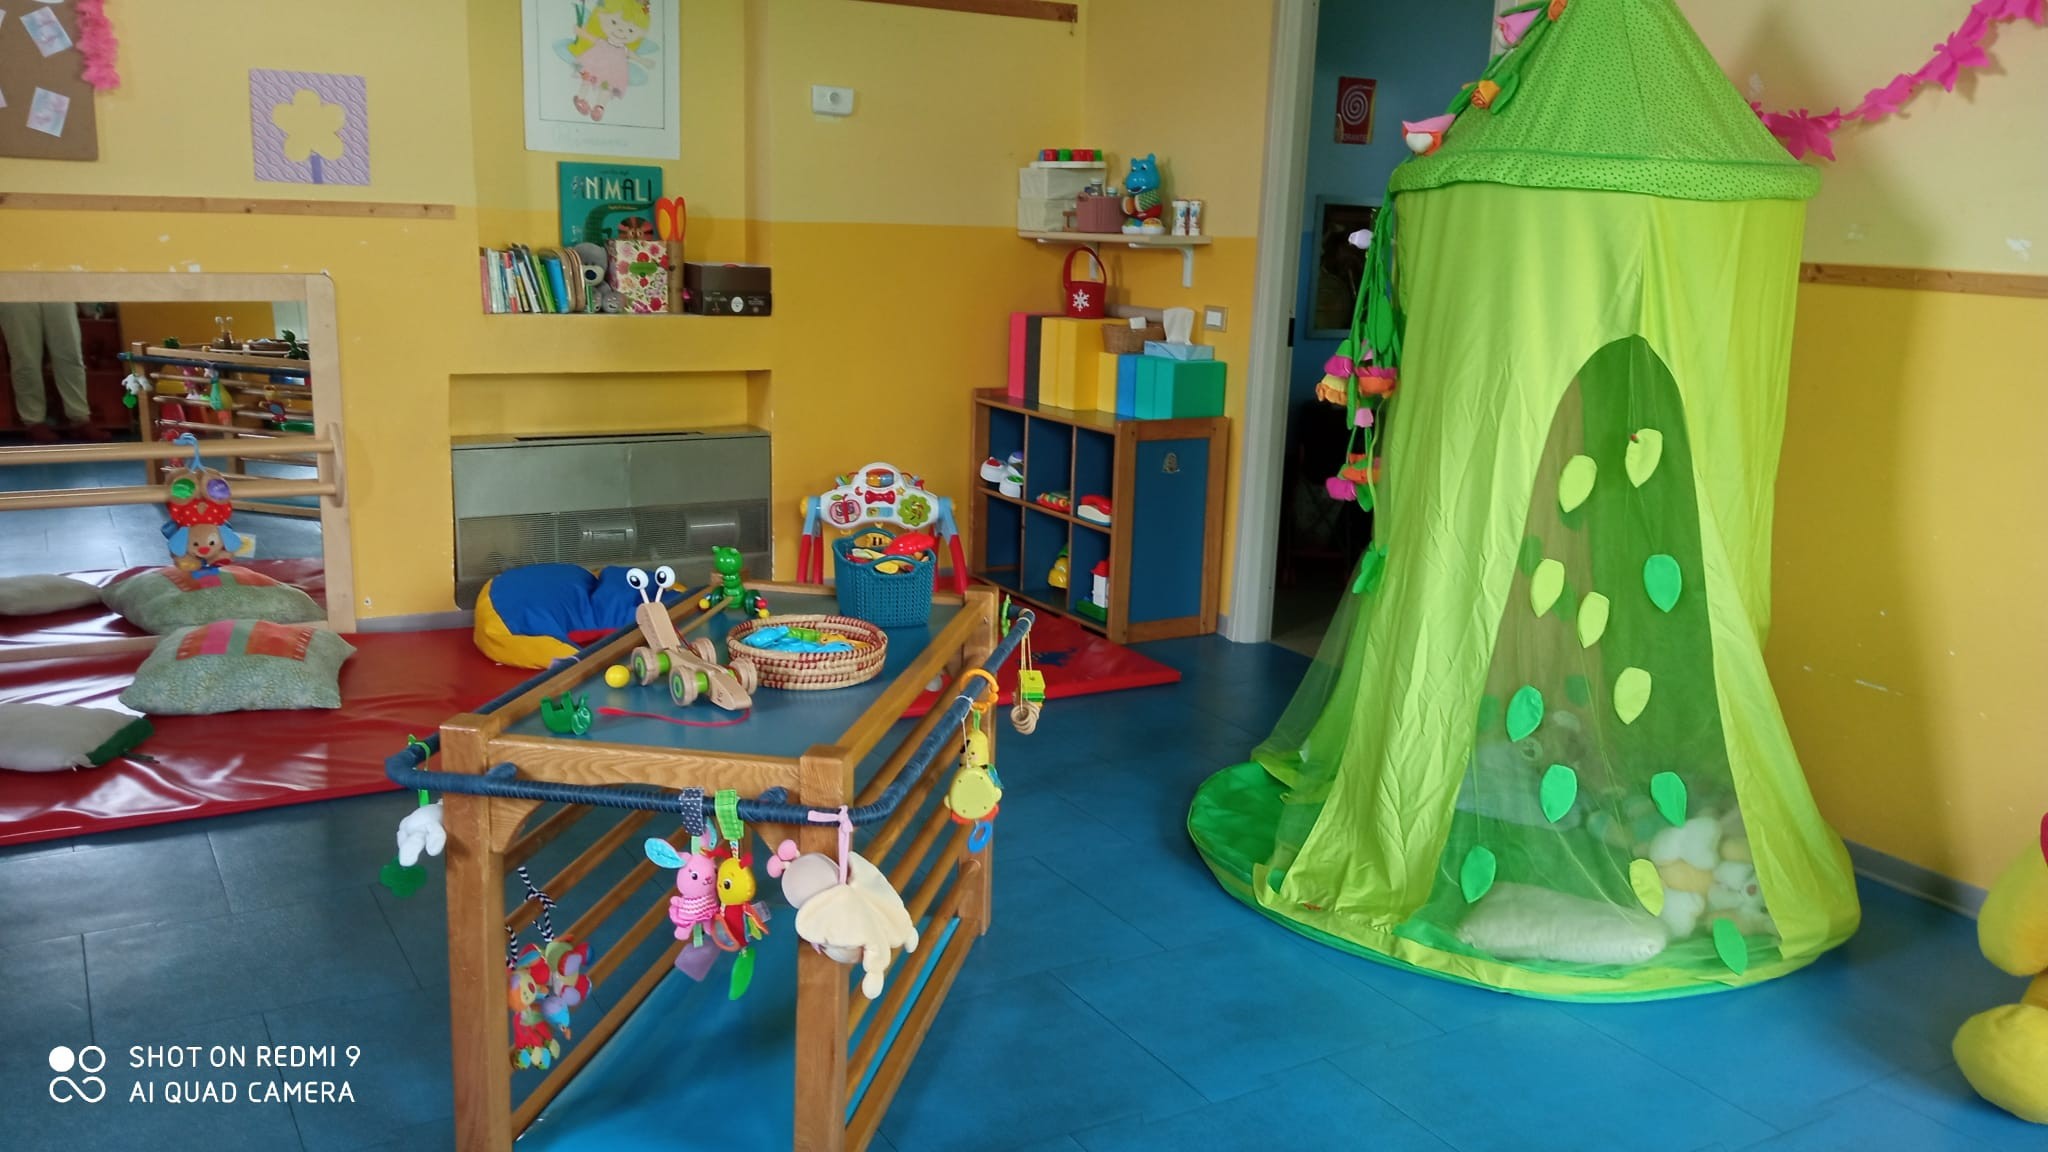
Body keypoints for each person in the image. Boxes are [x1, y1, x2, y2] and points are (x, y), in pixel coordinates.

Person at [0, 301, 107, 443]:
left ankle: (80, 418)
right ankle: (33, 422)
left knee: (70, 354)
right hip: (14, 291)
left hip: (57, 289)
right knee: (25, 359)